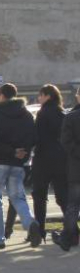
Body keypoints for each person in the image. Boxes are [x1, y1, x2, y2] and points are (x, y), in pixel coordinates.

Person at [0, 83, 41, 250]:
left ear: (1, 95)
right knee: (18, 197)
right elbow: (33, 137)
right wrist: (22, 151)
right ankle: (30, 223)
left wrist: (10, 151)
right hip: (18, 162)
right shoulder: (26, 115)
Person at [30, 84, 68, 240]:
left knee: (40, 196)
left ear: (47, 96)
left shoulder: (42, 113)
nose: (39, 98)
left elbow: (36, 137)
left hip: (43, 159)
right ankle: (72, 228)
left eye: (40, 95)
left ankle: (40, 230)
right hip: (61, 160)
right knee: (63, 197)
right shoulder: (62, 113)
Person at [57, 87, 80, 251]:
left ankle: (68, 237)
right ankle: (67, 236)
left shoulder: (71, 118)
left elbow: (65, 142)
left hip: (76, 168)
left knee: (73, 206)